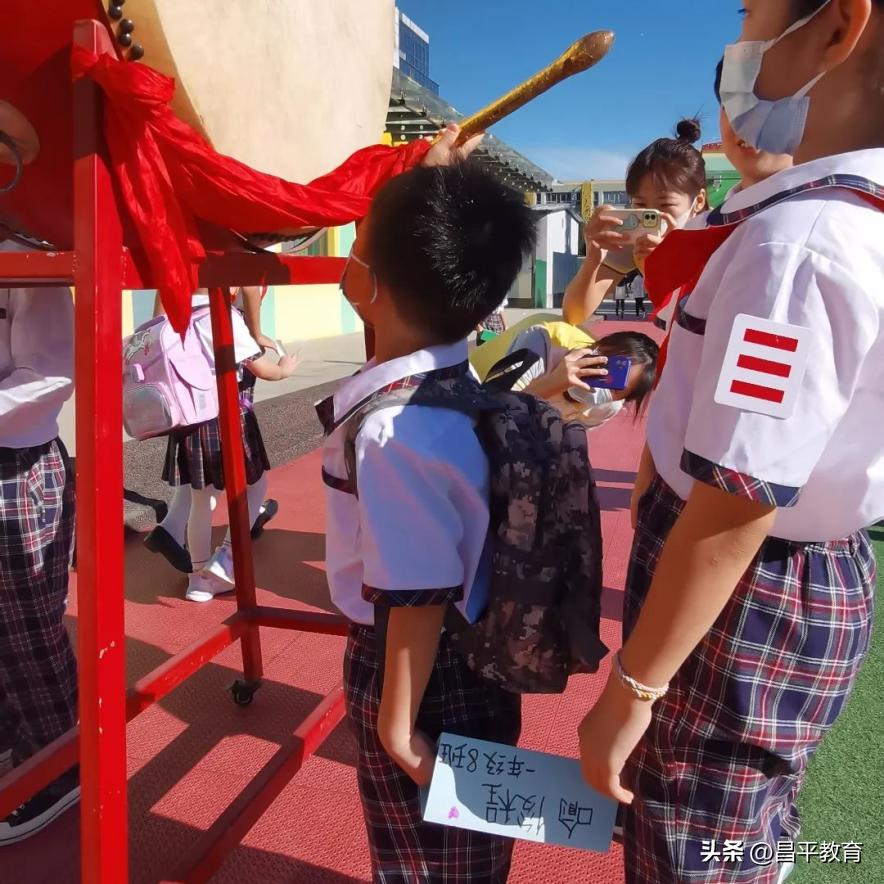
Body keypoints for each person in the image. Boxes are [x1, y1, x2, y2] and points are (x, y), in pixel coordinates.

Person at [578, 3, 884, 884]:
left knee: (694, 829)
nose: (737, 47)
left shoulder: (801, 245)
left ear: (839, 30)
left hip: (746, 587)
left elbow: (738, 498)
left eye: (752, 13)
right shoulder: (831, 219)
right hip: (799, 567)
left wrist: (631, 690)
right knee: (745, 815)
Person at [318, 163, 536, 882]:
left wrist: (396, 724)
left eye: (359, 244)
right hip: (477, 656)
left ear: (366, 283)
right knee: (469, 853)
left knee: (420, 860)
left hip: (418, 673)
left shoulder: (392, 431)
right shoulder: (455, 383)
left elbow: (415, 593)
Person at [0, 238, 79, 844]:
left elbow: (51, 374)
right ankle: (18, 734)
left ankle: (58, 766)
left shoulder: (24, 255)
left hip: (15, 461)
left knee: (28, 628)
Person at [157, 289, 298, 602]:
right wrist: (286, 367)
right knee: (256, 486)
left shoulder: (174, 313)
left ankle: (196, 579)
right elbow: (264, 369)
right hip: (227, 417)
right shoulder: (222, 317)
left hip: (190, 419)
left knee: (199, 500)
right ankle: (225, 560)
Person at [562, 119, 708, 328]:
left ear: (698, 202)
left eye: (665, 204)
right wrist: (593, 259)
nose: (652, 215)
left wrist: (660, 271)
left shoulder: (717, 240)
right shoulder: (629, 242)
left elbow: (697, 328)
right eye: (640, 204)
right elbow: (573, 315)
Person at [470, 318, 658, 430]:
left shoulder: (608, 406)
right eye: (604, 366)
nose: (602, 381)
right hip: (473, 387)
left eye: (616, 388)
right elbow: (492, 413)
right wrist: (555, 382)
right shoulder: (541, 345)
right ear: (596, 347)